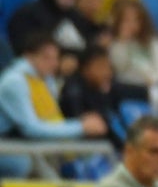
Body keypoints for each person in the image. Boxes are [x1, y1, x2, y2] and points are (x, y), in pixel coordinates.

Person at [0, 32, 108, 178]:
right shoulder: (14, 82)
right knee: (26, 163)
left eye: (56, 58)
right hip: (9, 142)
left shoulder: (46, 80)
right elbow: (31, 128)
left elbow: (52, 120)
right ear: (28, 57)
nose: (54, 64)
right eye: (46, 58)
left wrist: (81, 124)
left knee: (92, 154)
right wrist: (80, 126)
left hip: (28, 142)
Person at [57, 44, 146, 133]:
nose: (107, 72)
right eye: (101, 67)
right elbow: (81, 121)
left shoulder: (104, 86)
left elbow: (135, 91)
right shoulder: (73, 90)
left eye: (108, 67)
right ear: (85, 69)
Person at [108, 0, 158, 111]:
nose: (131, 24)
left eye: (136, 19)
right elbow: (119, 67)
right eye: (127, 20)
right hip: (127, 86)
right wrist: (122, 42)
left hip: (150, 86)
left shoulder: (152, 42)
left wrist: (154, 79)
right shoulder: (116, 44)